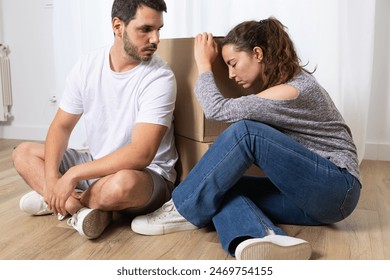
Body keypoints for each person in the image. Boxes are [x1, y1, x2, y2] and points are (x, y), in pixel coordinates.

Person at [130, 17, 362, 260]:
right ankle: (264, 237)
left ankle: (181, 208)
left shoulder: (293, 89)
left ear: (258, 54)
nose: (230, 74)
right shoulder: (283, 87)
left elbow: (217, 110)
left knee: (246, 131)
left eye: (233, 63)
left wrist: (204, 66)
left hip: (337, 187)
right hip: (311, 200)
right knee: (220, 187)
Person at [12, 0, 178, 240]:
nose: (156, 39)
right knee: (23, 153)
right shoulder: (87, 66)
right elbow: (61, 126)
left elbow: (141, 153)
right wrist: (51, 178)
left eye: (158, 29)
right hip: (97, 162)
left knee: (122, 185)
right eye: (146, 29)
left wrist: (70, 176)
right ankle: (73, 204)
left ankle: (61, 202)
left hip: (145, 174)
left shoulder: (160, 78)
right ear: (118, 26)